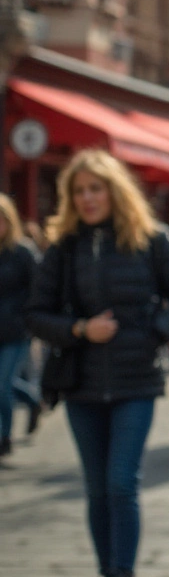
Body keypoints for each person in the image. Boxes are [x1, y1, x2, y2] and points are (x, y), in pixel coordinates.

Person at [26, 149, 169, 577]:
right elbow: (34, 314)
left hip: (136, 381)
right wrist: (80, 330)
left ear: (114, 191)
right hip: (81, 385)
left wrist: (155, 332)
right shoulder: (64, 248)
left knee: (122, 484)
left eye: (95, 188)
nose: (87, 198)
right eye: (79, 191)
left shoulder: (152, 239)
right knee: (98, 491)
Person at [0, 193, 40, 456]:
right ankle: (34, 401)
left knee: (2, 384)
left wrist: (28, 318)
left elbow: (39, 290)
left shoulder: (22, 251)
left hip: (16, 330)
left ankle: (5, 437)